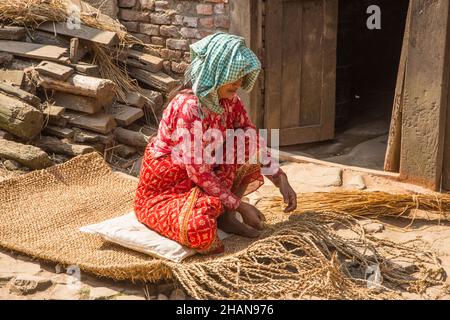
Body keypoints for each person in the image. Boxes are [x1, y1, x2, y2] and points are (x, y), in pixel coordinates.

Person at [134, 32, 297, 254]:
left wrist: (280, 179)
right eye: (234, 75)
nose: (239, 83)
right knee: (199, 229)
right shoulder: (189, 107)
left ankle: (227, 217)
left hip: (206, 173)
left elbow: (252, 141)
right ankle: (225, 211)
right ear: (215, 71)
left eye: (242, 76)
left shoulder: (230, 101)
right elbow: (197, 171)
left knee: (245, 142)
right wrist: (241, 205)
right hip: (170, 184)